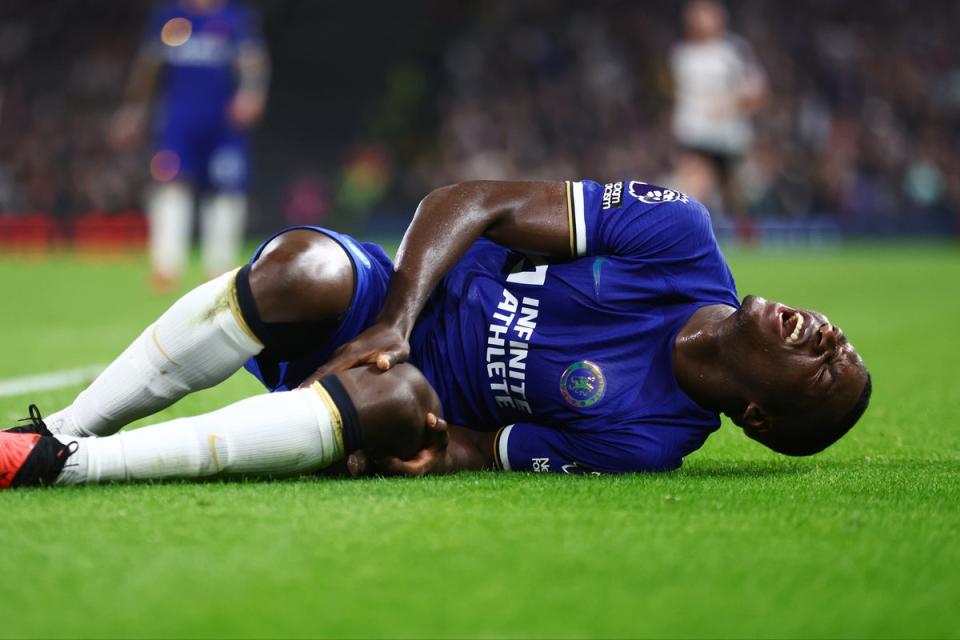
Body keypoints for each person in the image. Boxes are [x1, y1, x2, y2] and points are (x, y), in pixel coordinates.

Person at [1, 179, 871, 488]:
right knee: (303, 267)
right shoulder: (677, 235)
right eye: (839, 338)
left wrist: (407, 442)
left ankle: (67, 469)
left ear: (759, 417)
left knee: (396, 401)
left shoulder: (646, 440)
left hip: (377, 394)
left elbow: (479, 448)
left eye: (828, 368)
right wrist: (393, 323)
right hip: (380, 303)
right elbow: (471, 201)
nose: (830, 335)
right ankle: (68, 426)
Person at [110, 0, 270, 291]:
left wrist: (252, 93)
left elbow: (253, 61)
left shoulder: (234, 19)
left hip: (224, 123)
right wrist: (133, 109)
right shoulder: (169, 17)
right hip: (178, 122)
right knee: (170, 185)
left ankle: (220, 269)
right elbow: (148, 67)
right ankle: (166, 267)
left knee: (226, 190)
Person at [670, 0, 767, 242]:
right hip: (695, 135)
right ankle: (687, 244)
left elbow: (757, 93)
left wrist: (730, 106)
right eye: (694, 14)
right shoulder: (681, 54)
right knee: (691, 192)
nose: (698, 19)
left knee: (735, 197)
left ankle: (749, 244)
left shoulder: (734, 51)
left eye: (705, 13)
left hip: (729, 137)